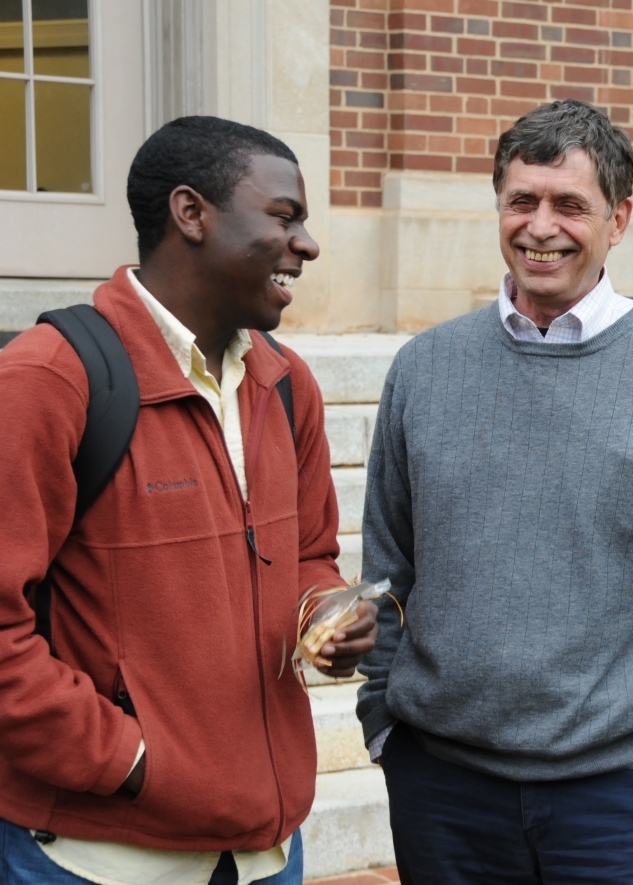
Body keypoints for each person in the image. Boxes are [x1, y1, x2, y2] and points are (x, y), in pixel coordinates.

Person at [357, 99, 633, 884]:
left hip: (631, 793)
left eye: (570, 204)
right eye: (521, 201)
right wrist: (381, 720)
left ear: (619, 218)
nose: (541, 227)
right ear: (499, 205)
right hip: (444, 787)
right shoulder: (425, 368)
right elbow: (388, 559)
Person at [0, 116, 377, 885]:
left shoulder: (289, 385)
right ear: (191, 213)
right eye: (283, 217)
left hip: (267, 855)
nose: (306, 244)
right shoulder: (51, 379)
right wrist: (131, 759)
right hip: (98, 860)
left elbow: (307, 555)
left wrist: (325, 612)